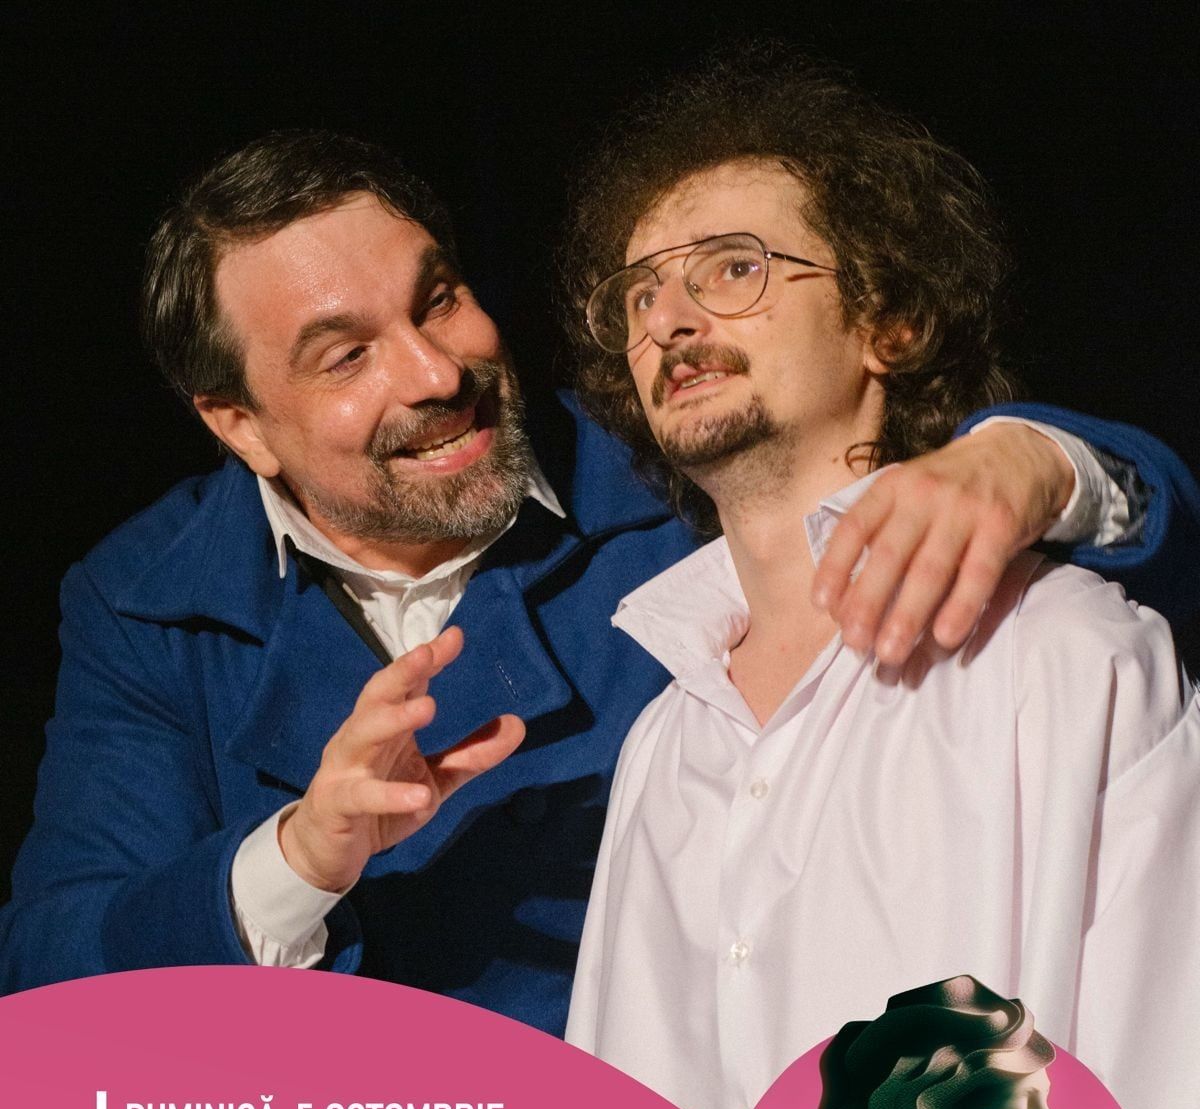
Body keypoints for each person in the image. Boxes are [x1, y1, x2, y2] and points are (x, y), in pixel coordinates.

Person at [1, 131, 1195, 1037]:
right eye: (348, 354)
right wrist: (301, 855)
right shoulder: (146, 600)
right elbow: (54, 980)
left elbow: (1121, 600)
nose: (434, 372)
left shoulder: (668, 468)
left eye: (437, 301)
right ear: (239, 424)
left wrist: (1044, 460)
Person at [562, 55, 1200, 1109]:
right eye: (643, 290)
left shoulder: (1066, 659)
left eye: (734, 267)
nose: (673, 315)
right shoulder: (665, 744)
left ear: (888, 323)